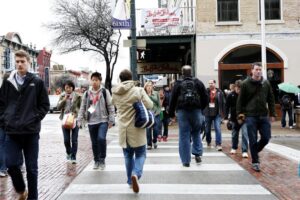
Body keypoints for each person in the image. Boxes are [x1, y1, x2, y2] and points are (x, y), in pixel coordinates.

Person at [0, 50, 50, 199]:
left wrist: (34, 118)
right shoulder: (8, 82)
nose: (20, 64)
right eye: (17, 61)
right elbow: (1, 104)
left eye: (23, 61)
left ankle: (33, 197)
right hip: (12, 132)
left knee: (32, 169)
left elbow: (44, 105)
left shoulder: (37, 82)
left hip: (31, 132)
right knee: (11, 165)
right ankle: (22, 190)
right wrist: (4, 120)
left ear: (28, 62)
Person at [112, 69, 153, 193]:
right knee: (141, 154)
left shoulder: (115, 92)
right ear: (131, 78)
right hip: (137, 128)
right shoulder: (138, 90)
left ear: (120, 79)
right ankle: (136, 174)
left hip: (123, 130)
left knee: (128, 155)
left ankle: (130, 181)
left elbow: (113, 104)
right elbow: (150, 105)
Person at [237, 62, 276, 172]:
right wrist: (240, 114)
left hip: (263, 115)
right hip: (250, 116)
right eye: (256, 69)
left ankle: (254, 151)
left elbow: (271, 99)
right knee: (252, 139)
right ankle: (255, 161)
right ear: (252, 71)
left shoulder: (266, 83)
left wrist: (273, 113)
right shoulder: (245, 83)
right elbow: (240, 101)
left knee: (266, 138)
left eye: (260, 69)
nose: (258, 71)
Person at [169, 65, 208, 167]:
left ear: (182, 73)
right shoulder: (198, 82)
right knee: (196, 132)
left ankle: (186, 161)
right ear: (191, 72)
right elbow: (205, 97)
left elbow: (172, 99)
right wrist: (200, 108)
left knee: (184, 135)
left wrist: (171, 113)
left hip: (182, 112)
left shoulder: (178, 83)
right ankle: (197, 154)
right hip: (196, 111)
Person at [77, 72, 115, 170]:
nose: (94, 82)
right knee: (94, 142)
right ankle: (96, 161)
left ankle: (102, 159)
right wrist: (79, 119)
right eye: (92, 80)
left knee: (101, 139)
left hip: (103, 120)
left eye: (96, 80)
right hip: (91, 121)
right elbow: (82, 107)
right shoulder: (87, 94)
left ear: (100, 81)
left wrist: (111, 120)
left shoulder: (104, 92)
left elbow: (110, 106)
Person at [57, 80, 82, 164]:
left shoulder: (78, 96)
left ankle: (73, 156)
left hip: (75, 119)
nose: (68, 89)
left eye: (70, 87)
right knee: (66, 140)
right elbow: (58, 107)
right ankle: (68, 152)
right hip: (65, 119)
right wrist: (64, 99)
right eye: (66, 87)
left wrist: (77, 113)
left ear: (73, 88)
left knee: (74, 140)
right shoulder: (62, 96)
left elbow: (81, 107)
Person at [224, 80, 249, 158]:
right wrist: (226, 118)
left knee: (245, 134)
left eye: (240, 89)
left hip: (244, 118)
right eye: (238, 88)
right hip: (234, 118)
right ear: (235, 87)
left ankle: (244, 151)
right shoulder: (230, 95)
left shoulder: (246, 95)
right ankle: (234, 147)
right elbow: (227, 107)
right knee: (234, 134)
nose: (239, 90)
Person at [204, 79, 225, 151]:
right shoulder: (206, 92)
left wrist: (223, 114)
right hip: (207, 113)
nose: (210, 84)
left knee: (218, 128)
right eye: (209, 83)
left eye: (212, 83)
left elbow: (223, 103)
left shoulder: (219, 92)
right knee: (207, 129)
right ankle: (208, 141)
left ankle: (218, 144)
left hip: (217, 114)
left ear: (215, 84)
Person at [144, 81, 161, 150]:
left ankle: (155, 140)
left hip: (156, 113)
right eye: (148, 86)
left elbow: (159, 104)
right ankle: (149, 144)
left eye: (150, 86)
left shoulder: (156, 93)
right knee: (148, 130)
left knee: (156, 129)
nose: (149, 87)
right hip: (147, 114)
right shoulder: (143, 94)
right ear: (145, 87)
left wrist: (158, 112)